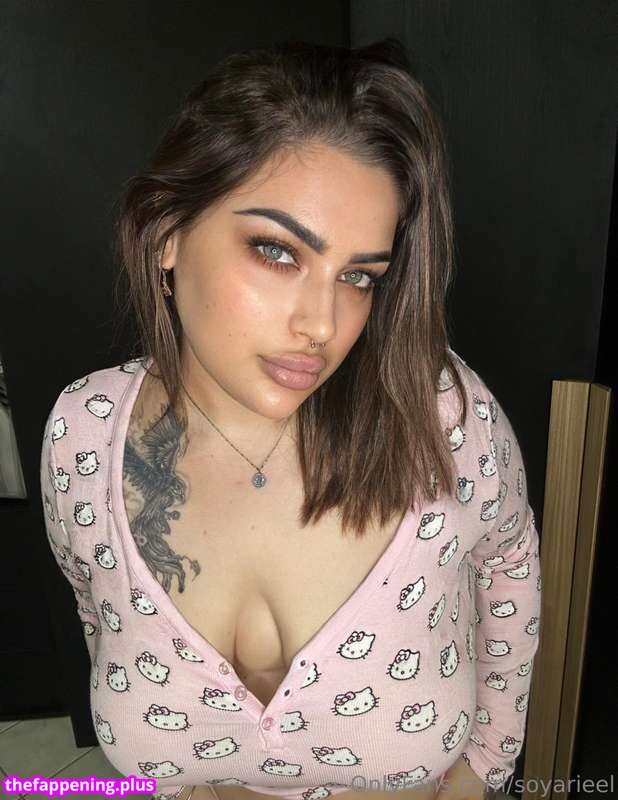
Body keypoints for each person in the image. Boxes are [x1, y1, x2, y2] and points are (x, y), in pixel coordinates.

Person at [40, 38, 541, 800]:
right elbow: (97, 610)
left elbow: (508, 561)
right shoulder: (84, 435)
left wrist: (483, 770)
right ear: (167, 232)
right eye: (277, 252)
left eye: (359, 276)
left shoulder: (438, 415)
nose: (323, 325)